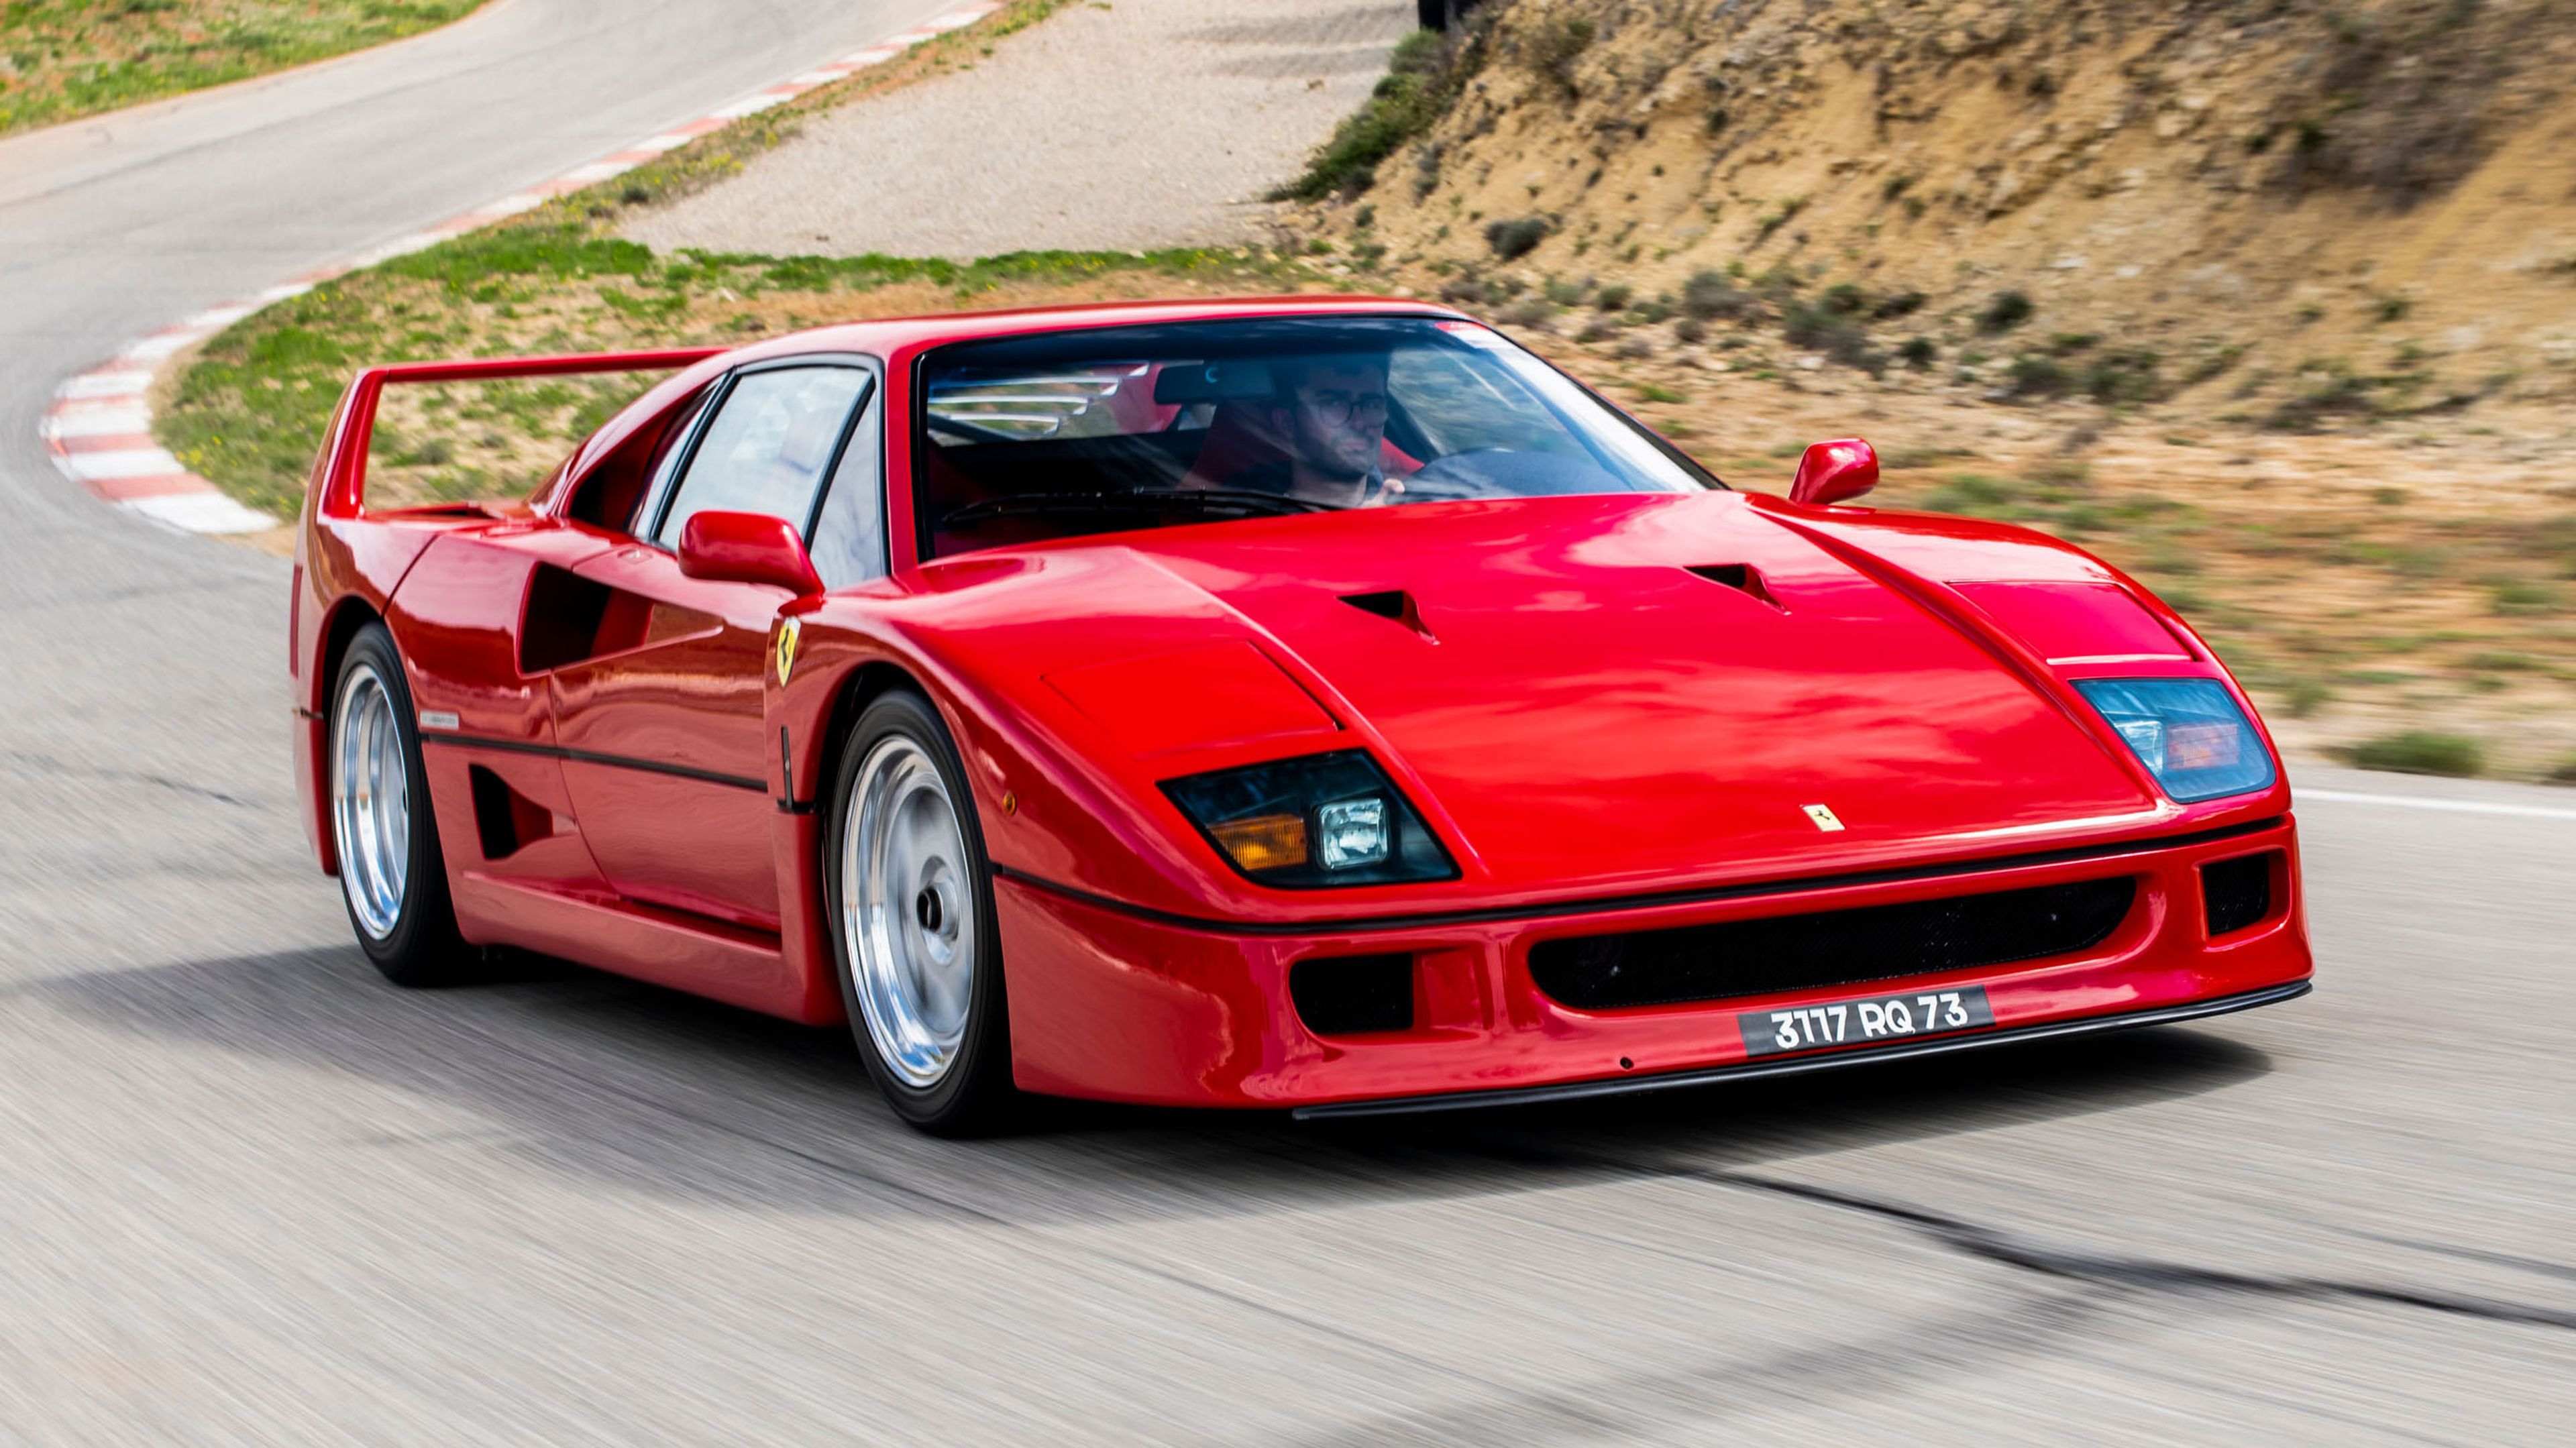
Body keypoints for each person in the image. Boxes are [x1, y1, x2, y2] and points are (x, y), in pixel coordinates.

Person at [1230, 353, 1403, 508]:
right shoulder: (1238, 521)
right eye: (1334, 404)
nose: (1359, 423)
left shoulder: (1412, 505)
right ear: (1286, 423)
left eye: (1372, 405)